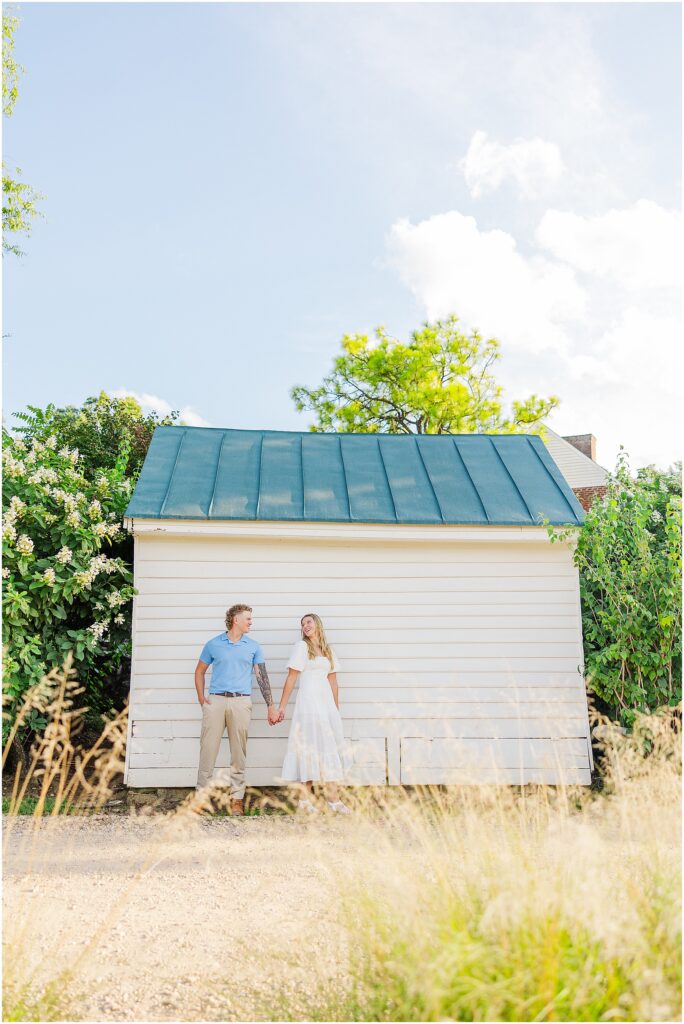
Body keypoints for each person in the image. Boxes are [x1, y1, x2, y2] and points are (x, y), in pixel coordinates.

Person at [194, 603, 278, 814]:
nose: (251, 622)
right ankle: (201, 798)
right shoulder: (213, 644)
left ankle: (237, 799)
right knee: (208, 750)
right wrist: (202, 698)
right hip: (216, 702)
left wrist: (271, 706)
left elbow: (262, 677)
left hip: (241, 703)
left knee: (238, 753)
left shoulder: (253, 646)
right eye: (248, 618)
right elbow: (200, 671)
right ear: (236, 620)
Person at [277, 613, 351, 814]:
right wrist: (282, 706)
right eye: (302, 624)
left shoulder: (328, 651)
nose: (305, 625)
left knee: (329, 747)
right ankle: (305, 800)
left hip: (325, 703)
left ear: (318, 624)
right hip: (308, 702)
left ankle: (334, 800)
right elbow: (292, 678)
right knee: (308, 746)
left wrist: (335, 709)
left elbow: (333, 682)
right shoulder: (302, 647)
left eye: (308, 622)